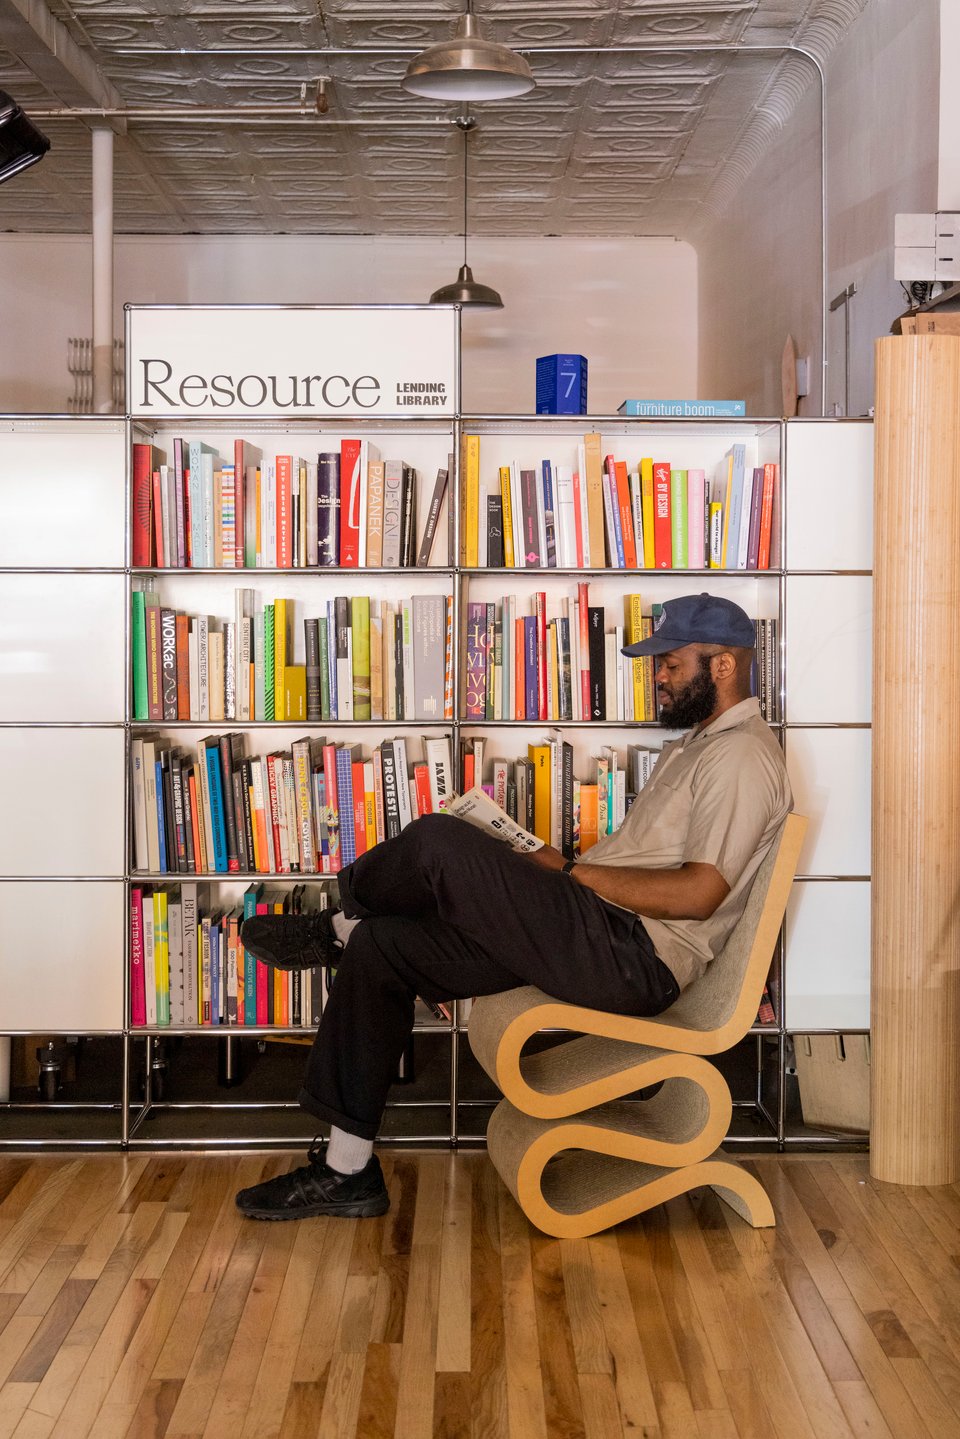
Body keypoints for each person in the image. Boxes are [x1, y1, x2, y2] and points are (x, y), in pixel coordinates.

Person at [234, 592, 792, 1221]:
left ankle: (331, 925)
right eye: (657, 664)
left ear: (722, 666)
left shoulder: (739, 756)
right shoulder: (699, 745)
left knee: (438, 842)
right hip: (596, 930)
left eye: (670, 663)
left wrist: (570, 871)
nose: (658, 678)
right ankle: (346, 1171)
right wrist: (543, 864)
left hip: (633, 956)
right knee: (383, 946)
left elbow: (699, 894)